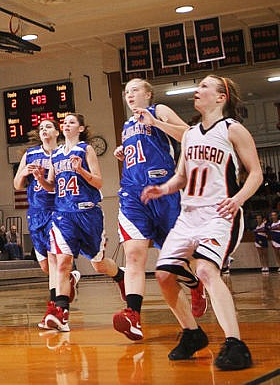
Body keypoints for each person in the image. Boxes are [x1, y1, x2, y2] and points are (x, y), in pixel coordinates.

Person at [141, 75, 263, 371]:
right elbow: (182, 177)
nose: (198, 90)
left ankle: (234, 343)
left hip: (219, 214)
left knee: (207, 271)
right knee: (163, 275)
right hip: (188, 215)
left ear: (221, 97)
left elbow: (256, 173)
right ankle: (193, 333)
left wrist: (238, 200)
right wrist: (164, 188)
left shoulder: (233, 130)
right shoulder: (191, 134)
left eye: (205, 87)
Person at [112, 78, 191, 341]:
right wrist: (126, 150)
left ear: (148, 94)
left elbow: (188, 136)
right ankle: (133, 315)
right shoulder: (126, 126)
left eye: (134, 89)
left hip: (164, 191)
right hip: (133, 194)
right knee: (134, 256)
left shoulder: (159, 110)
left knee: (176, 260)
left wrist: (155, 123)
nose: (129, 95)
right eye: (126, 91)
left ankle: (196, 284)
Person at [41, 113, 125, 332]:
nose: (67, 125)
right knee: (62, 263)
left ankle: (120, 275)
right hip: (63, 215)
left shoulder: (86, 149)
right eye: (65, 122)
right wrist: (41, 179)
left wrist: (80, 170)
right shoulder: (56, 154)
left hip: (88, 214)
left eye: (72, 122)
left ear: (80, 128)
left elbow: (98, 182)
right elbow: (51, 186)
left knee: (98, 264)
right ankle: (61, 312)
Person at [13, 119, 60, 323]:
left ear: (57, 132)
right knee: (45, 266)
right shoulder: (31, 154)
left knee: (53, 258)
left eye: (48, 127)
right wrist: (23, 173)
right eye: (41, 128)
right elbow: (17, 185)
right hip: (36, 212)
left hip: (58, 209)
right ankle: (67, 280)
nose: (44, 130)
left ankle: (55, 306)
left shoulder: (64, 153)